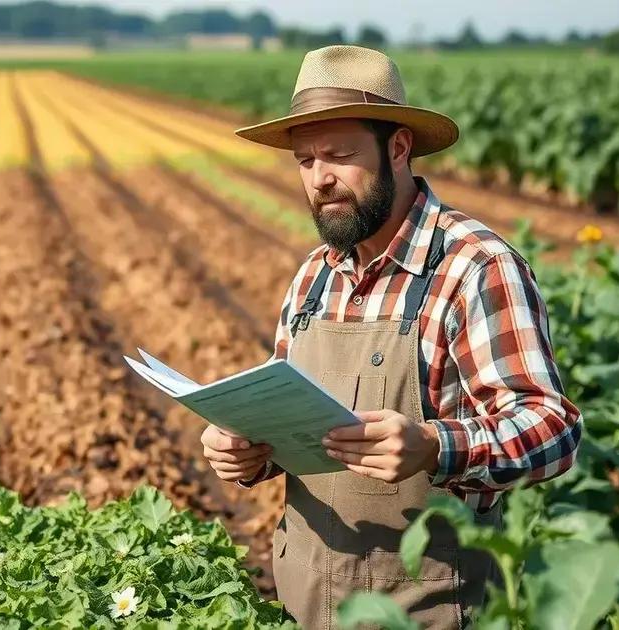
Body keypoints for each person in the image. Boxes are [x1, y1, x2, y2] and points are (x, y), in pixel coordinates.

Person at [199, 45, 583, 629]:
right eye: (305, 161)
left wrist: (435, 446)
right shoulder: (313, 277)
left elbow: (552, 429)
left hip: (426, 609)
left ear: (398, 148)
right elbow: (288, 424)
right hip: (304, 603)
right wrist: (246, 451)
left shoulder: (475, 267)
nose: (319, 179)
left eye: (339, 156)